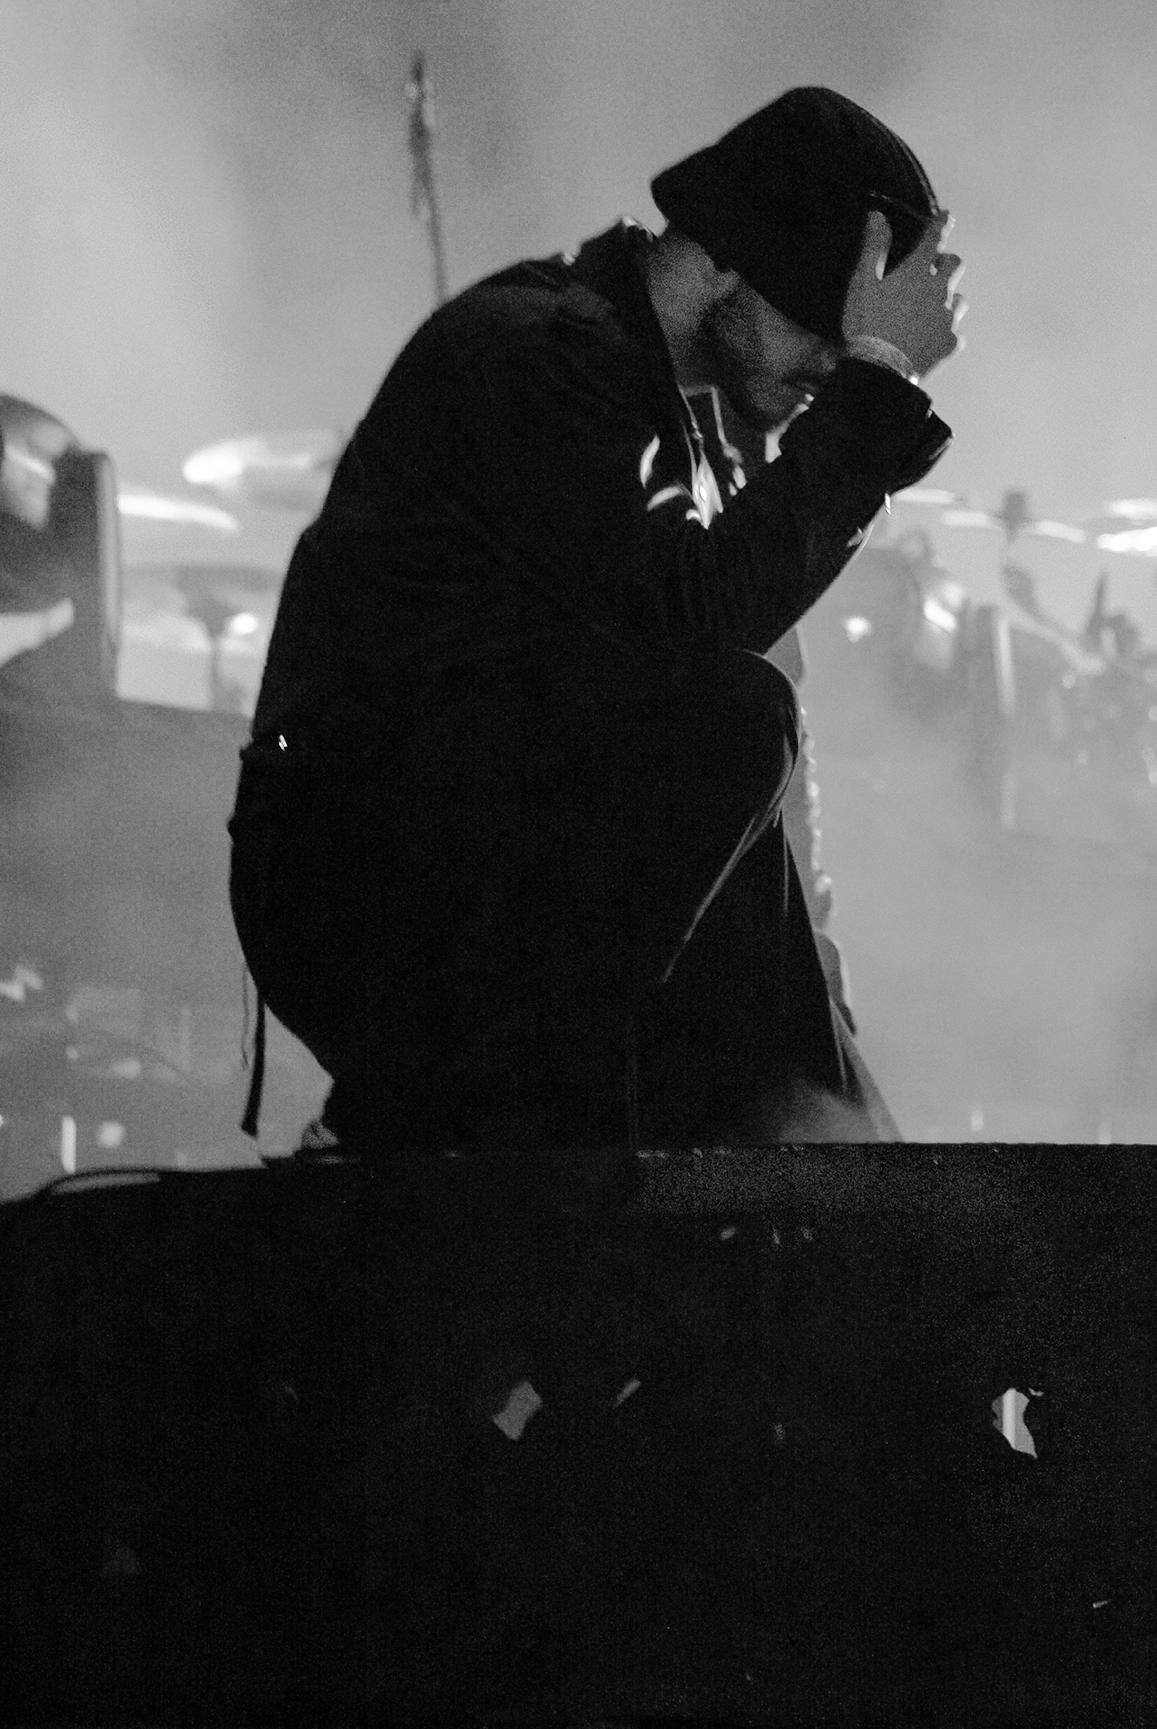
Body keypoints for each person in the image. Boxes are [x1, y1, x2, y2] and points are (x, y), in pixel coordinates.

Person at [230, 86, 963, 1150]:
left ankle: (834, 1182)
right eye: (825, 332)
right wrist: (881, 382)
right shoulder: (539, 356)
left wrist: (841, 1094)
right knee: (729, 719)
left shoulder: (695, 435)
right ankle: (421, 1127)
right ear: (729, 260)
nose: (829, 369)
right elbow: (692, 635)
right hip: (359, 887)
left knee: (750, 759)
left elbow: (770, 806)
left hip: (485, 866)